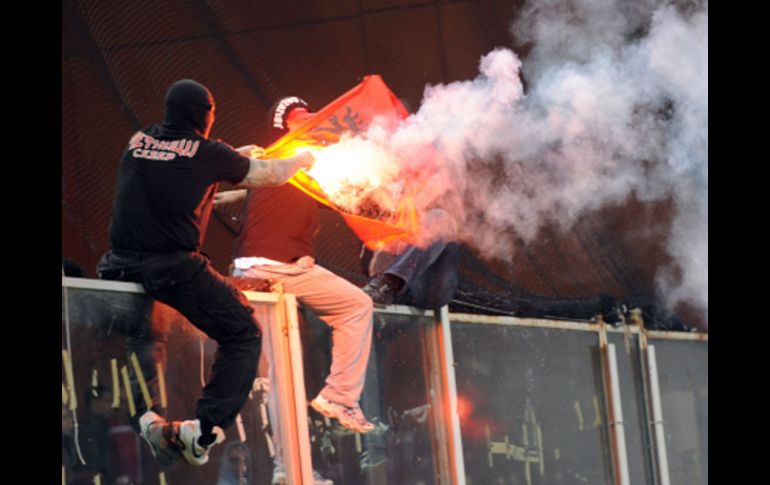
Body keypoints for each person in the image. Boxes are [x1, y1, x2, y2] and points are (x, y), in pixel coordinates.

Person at [96, 79, 315, 467]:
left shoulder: (140, 139)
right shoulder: (206, 152)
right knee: (244, 331)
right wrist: (303, 159)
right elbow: (269, 175)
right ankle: (205, 431)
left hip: (119, 265)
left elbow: (187, 168)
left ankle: (149, 419)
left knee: (144, 341)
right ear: (206, 116)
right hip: (173, 266)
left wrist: (232, 156)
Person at [215, 96, 374, 483]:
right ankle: (333, 403)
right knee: (354, 308)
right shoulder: (289, 156)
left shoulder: (291, 166)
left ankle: (290, 466)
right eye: (302, 120)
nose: (313, 125)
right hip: (272, 273)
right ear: (286, 126)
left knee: (277, 378)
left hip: (271, 272)